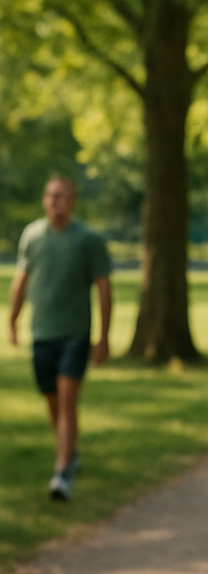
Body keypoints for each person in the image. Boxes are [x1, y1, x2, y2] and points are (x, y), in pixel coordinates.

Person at [7, 176, 112, 501]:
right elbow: (22, 280)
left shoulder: (88, 240)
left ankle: (62, 470)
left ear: (73, 200)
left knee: (67, 402)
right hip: (42, 333)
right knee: (52, 401)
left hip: (75, 334)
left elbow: (104, 287)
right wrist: (12, 320)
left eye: (61, 196)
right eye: (50, 196)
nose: (55, 202)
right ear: (44, 199)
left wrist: (103, 336)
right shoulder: (33, 236)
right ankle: (70, 453)